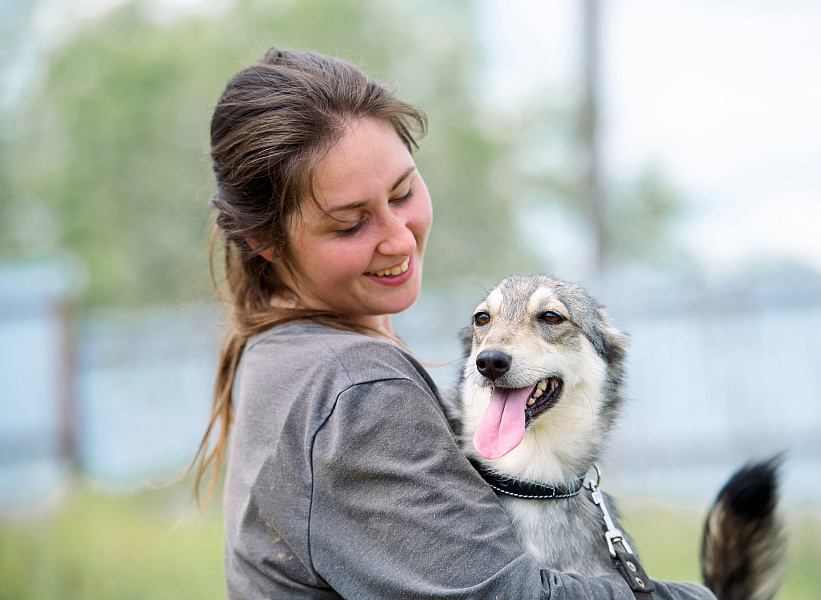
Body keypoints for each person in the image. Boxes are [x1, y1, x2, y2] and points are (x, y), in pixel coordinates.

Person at [192, 47, 715, 600]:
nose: (398, 238)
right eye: (349, 224)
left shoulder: (277, 349)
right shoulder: (357, 388)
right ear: (264, 242)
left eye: (403, 192)